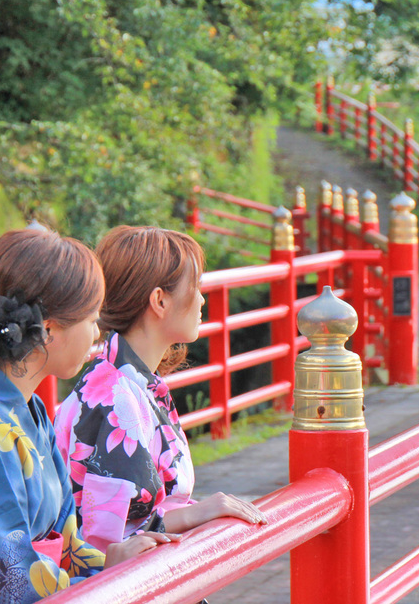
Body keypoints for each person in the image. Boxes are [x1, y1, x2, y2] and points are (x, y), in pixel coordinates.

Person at [0, 228, 176, 604]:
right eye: (91, 319)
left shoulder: (28, 411)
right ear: (48, 330)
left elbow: (67, 546)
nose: (97, 334)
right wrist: (107, 577)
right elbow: (1, 588)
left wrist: (117, 562)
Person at [54, 226, 266, 553]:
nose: (202, 298)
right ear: (160, 300)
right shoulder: (115, 396)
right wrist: (200, 511)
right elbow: (108, 539)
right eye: (195, 286)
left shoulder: (127, 381)